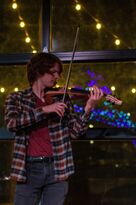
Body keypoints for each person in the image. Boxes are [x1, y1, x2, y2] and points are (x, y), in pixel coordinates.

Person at [4, 52, 103, 205]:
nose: (57, 77)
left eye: (59, 73)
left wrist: (88, 108)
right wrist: (44, 110)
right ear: (38, 71)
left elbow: (75, 132)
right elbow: (12, 123)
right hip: (28, 169)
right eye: (53, 72)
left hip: (57, 168)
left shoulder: (62, 98)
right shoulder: (17, 98)